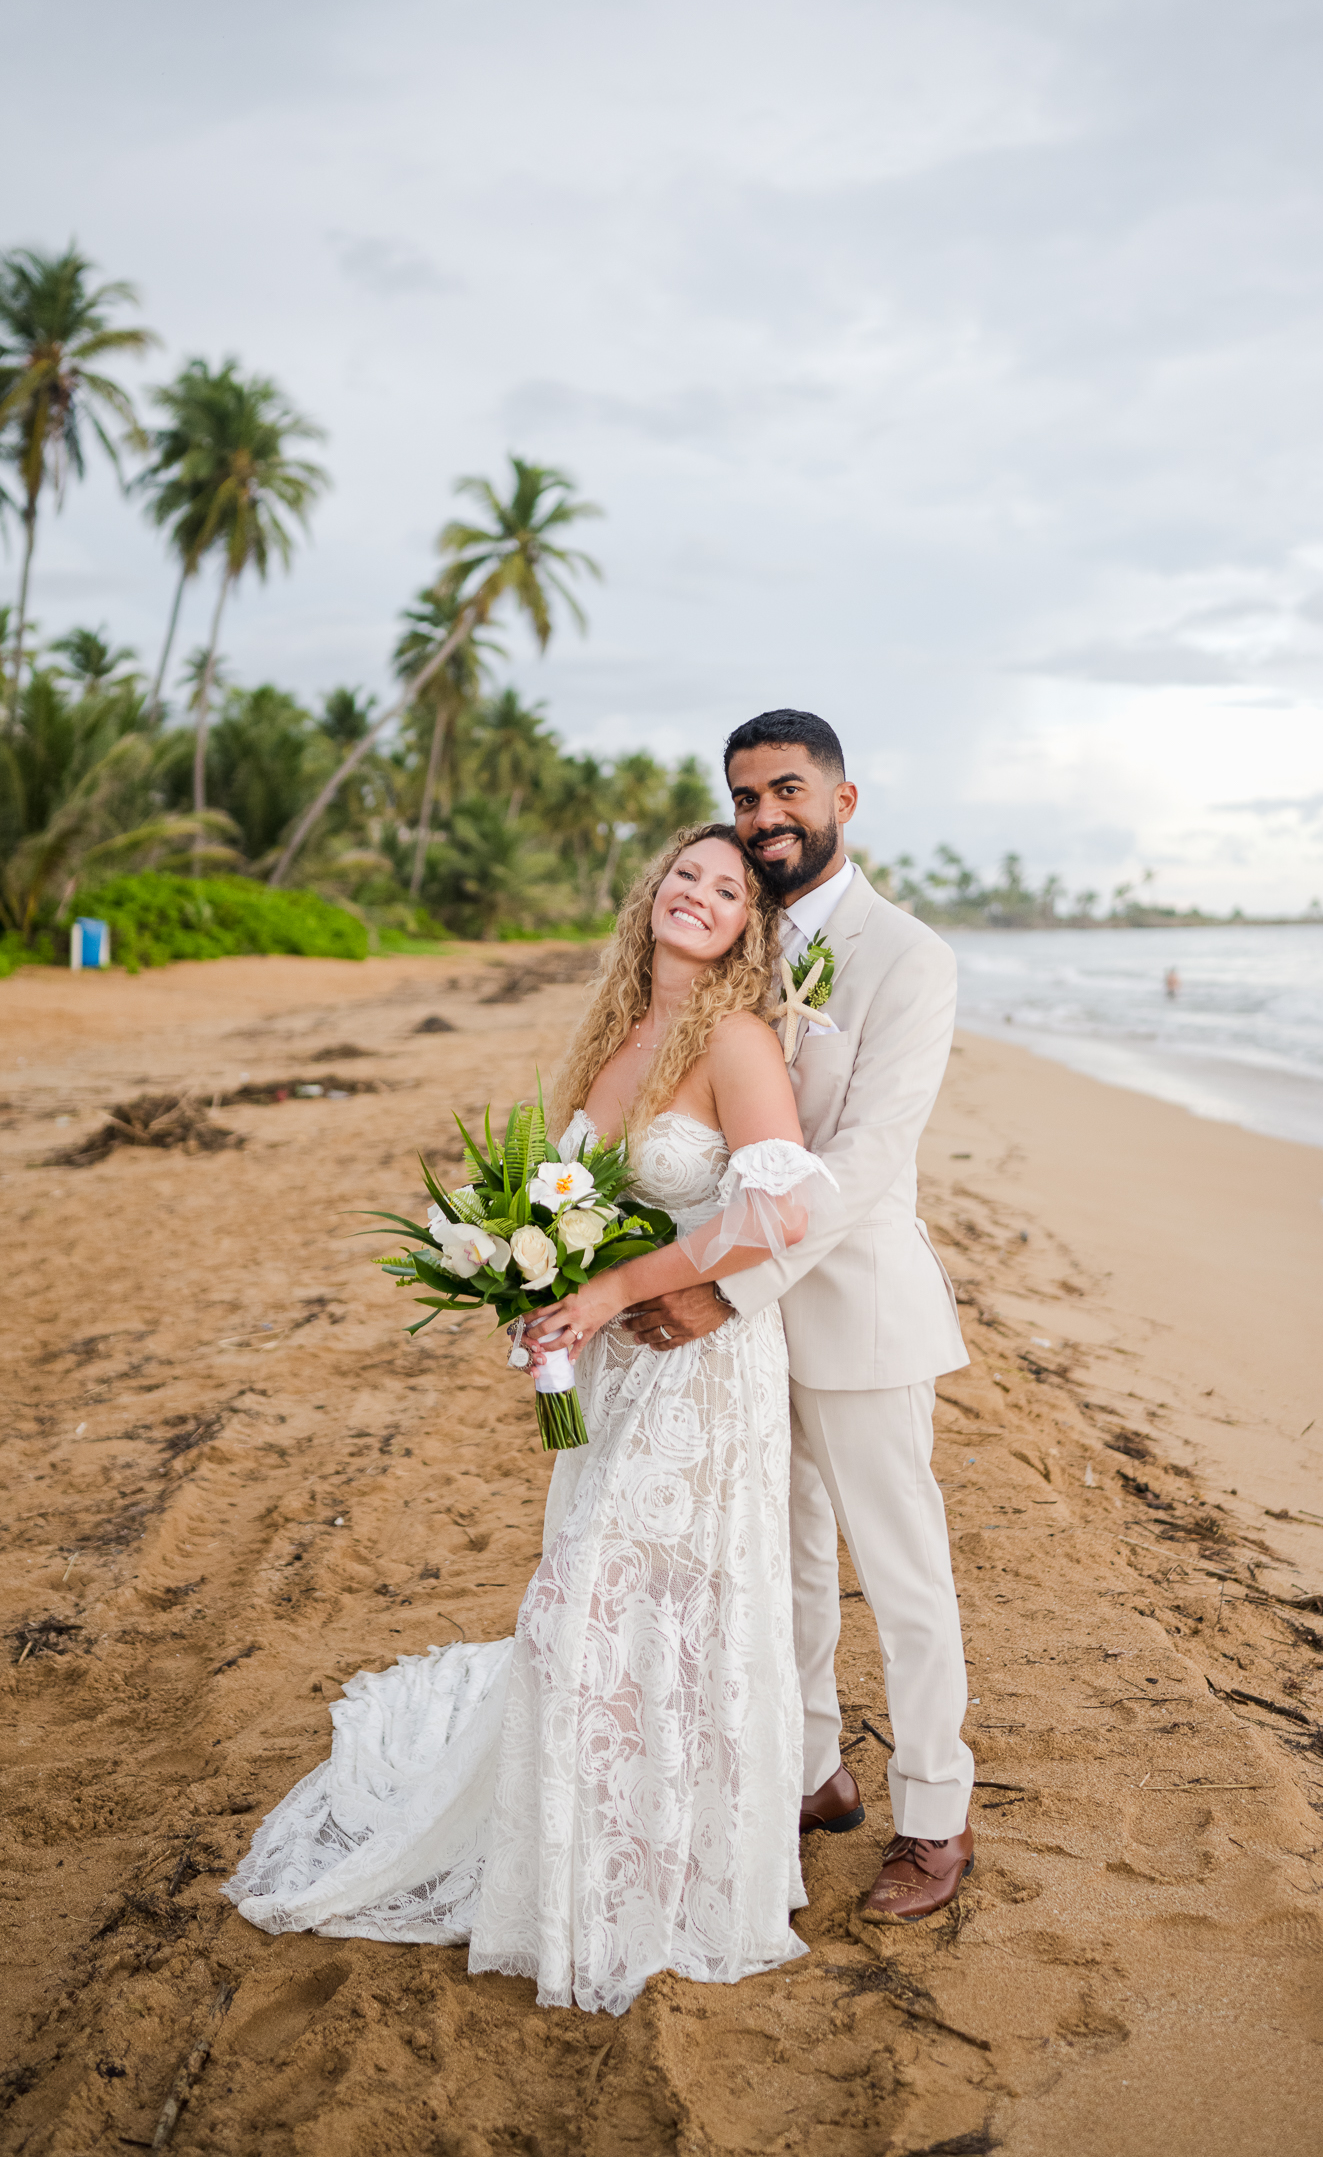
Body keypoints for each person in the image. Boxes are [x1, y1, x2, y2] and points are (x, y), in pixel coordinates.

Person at [226, 824, 833, 2016]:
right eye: (686, 875)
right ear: (652, 891)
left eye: (727, 889)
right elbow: (581, 1213)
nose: (701, 896)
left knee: (627, 1593)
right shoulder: (618, 1039)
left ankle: (658, 1873)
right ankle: (584, 1848)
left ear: (749, 927)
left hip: (703, 1367)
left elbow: (785, 1213)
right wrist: (547, 1304)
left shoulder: (741, 1039)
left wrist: (612, 1289)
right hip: (615, 1372)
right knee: (599, 1590)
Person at [622, 710, 976, 1922]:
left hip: (854, 1311)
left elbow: (868, 1160)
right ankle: (816, 1771)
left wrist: (723, 1286)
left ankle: (935, 1816)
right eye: (744, 796)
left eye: (786, 791)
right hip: (744, 1331)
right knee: (786, 1562)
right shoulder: (746, 935)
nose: (764, 816)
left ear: (843, 799)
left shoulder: (908, 957)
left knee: (904, 1572)